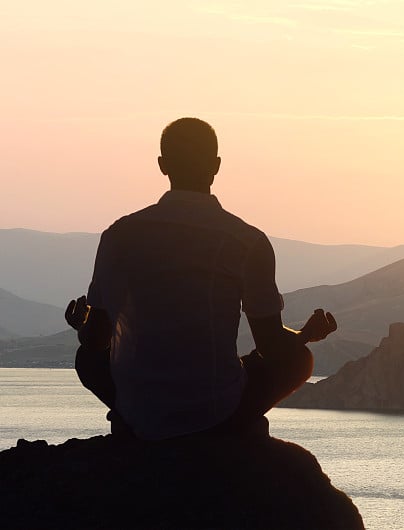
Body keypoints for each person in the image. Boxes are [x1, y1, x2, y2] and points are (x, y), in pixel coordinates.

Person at [64, 117, 336, 441]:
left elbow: (95, 340)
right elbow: (272, 345)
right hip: (215, 411)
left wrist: (84, 325)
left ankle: (135, 424)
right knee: (300, 360)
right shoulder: (248, 242)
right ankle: (232, 431)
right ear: (216, 165)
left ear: (162, 165)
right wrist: (305, 334)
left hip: (140, 408)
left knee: (87, 359)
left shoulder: (119, 235)